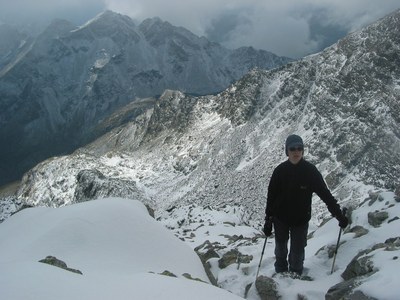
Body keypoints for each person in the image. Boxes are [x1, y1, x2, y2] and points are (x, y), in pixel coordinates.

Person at [263, 134, 348, 276]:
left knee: (297, 252)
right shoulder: (279, 171)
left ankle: (295, 276)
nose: (296, 151)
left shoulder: (310, 171)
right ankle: (281, 273)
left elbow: (325, 195)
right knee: (280, 249)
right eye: (292, 148)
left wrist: (339, 215)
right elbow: (271, 197)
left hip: (300, 220)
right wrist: (268, 220)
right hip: (280, 218)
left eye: (299, 148)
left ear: (303, 150)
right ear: (287, 151)